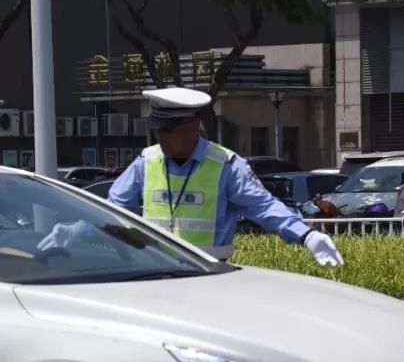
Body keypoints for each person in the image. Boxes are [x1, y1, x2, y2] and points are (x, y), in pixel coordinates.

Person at [105, 87, 343, 266]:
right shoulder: (147, 161)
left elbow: (263, 207)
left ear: (192, 125)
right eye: (156, 129)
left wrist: (306, 235)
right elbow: (111, 208)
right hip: (155, 276)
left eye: (167, 130)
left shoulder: (226, 166)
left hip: (208, 277)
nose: (160, 137)